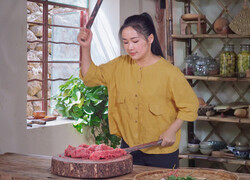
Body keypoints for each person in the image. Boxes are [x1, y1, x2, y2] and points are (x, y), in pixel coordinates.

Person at [77, 12, 199, 168]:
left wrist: (172, 130)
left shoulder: (169, 72)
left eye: (135, 41)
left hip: (162, 152)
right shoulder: (118, 65)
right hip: (130, 149)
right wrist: (85, 47)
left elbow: (189, 105)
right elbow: (89, 77)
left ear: (150, 39)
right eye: (125, 42)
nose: (130, 47)